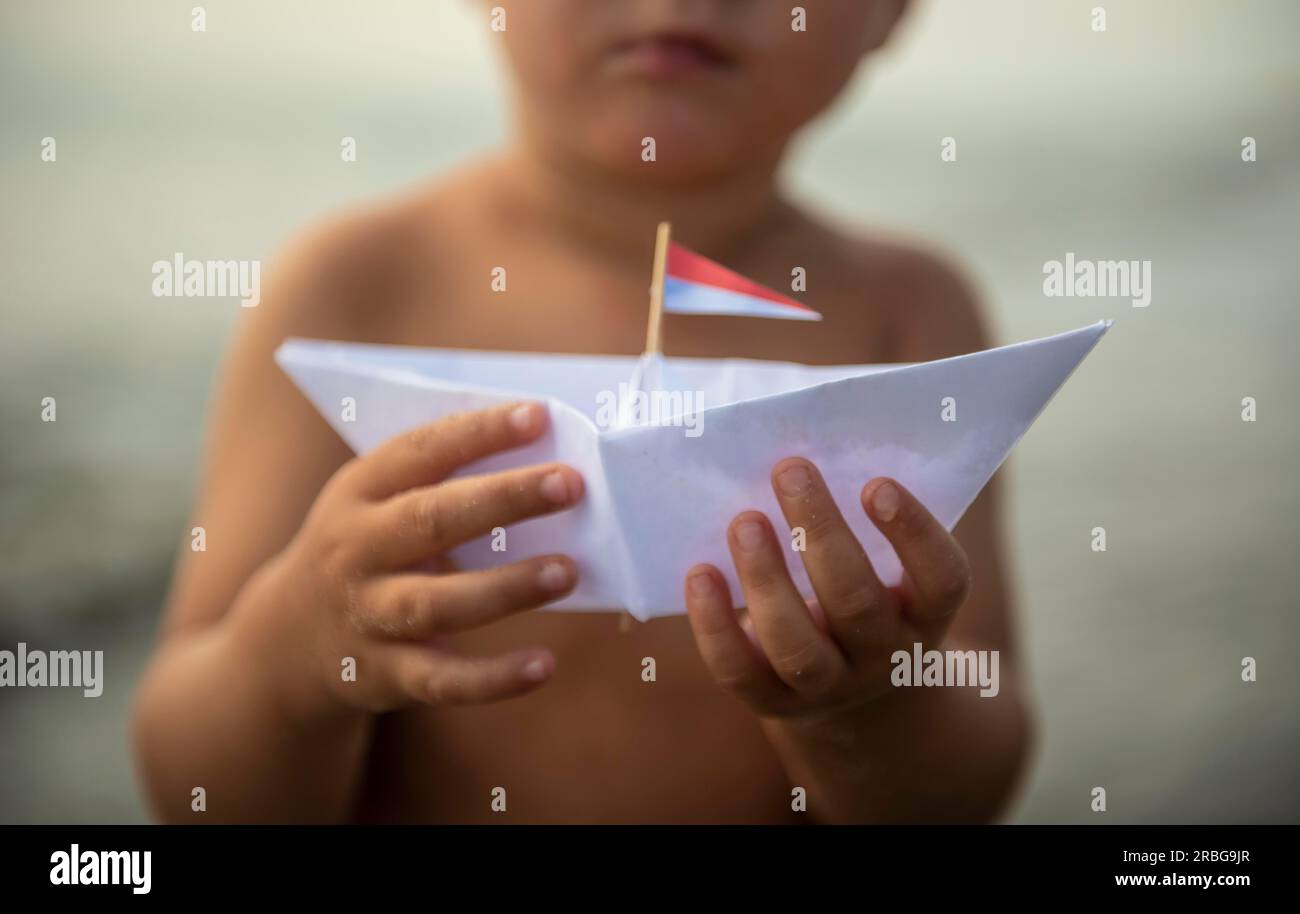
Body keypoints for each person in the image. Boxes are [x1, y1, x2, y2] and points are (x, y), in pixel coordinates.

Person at [133, 0, 1032, 823]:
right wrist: (292, 656)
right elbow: (195, 789)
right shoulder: (352, 284)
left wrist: (868, 703)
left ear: (892, 14)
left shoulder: (909, 315)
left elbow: (964, 791)